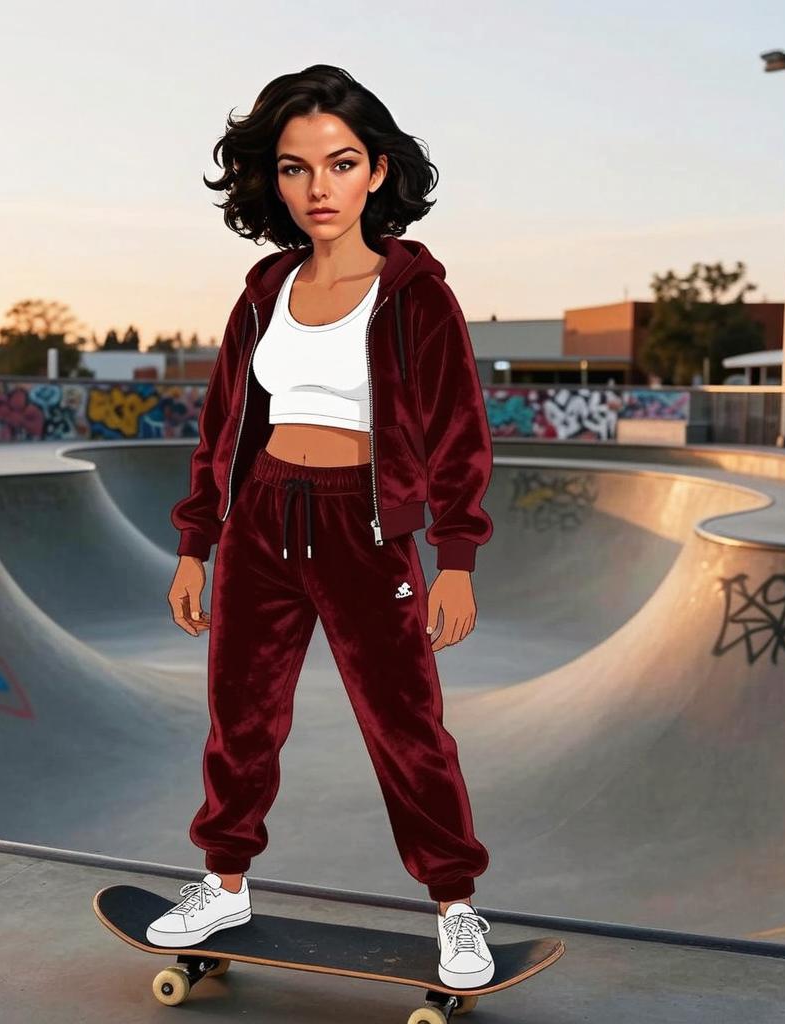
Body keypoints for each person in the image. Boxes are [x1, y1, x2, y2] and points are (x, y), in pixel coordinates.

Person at [153, 64, 495, 989]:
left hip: (363, 528)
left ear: (377, 171)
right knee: (242, 719)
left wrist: (455, 557)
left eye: (340, 164)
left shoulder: (416, 293)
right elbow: (224, 422)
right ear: (275, 180)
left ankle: (456, 909)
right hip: (263, 516)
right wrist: (198, 543)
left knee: (405, 724)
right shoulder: (265, 285)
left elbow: (460, 428)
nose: (318, 189)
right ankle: (224, 882)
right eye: (296, 169)